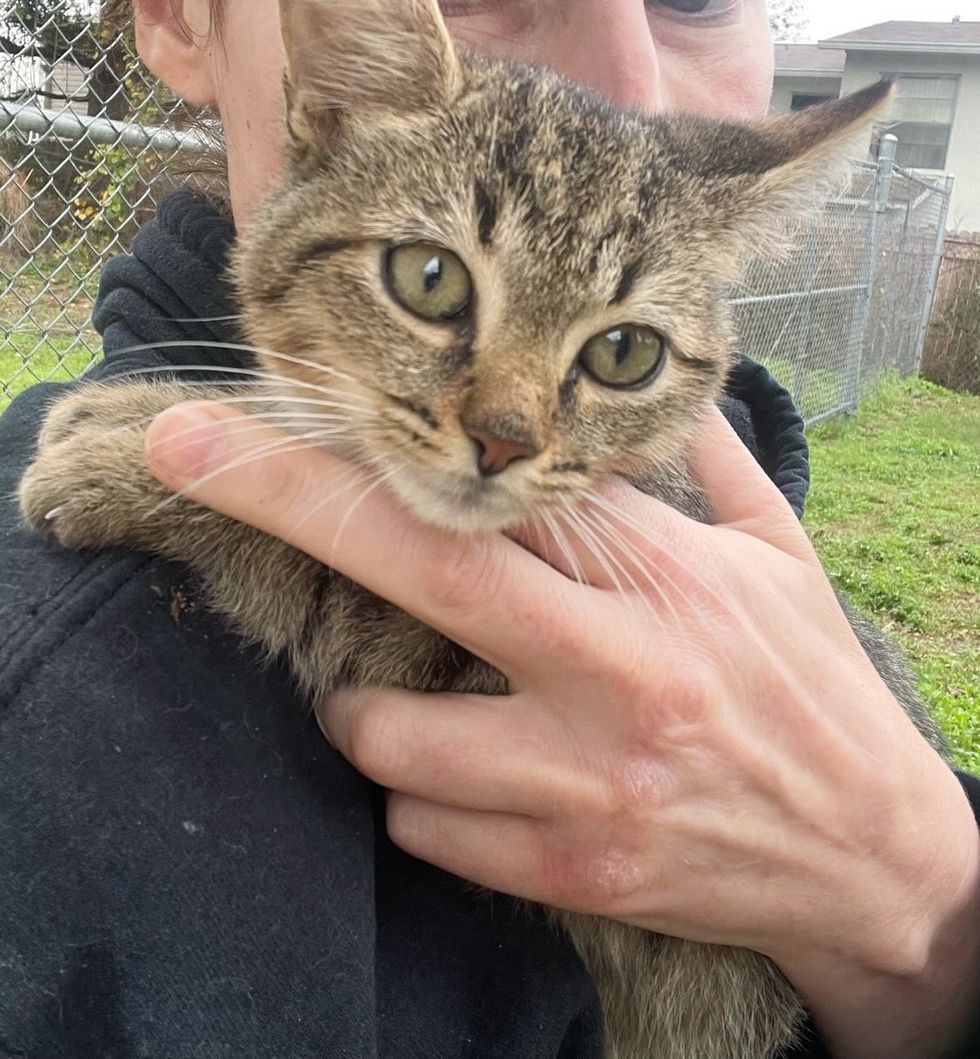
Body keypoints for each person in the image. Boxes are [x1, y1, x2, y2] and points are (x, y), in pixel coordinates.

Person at [0, 1, 977, 1056]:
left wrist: (931, 905)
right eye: (434, 281)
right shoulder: (58, 684)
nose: (508, 426)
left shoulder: (728, 506)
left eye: (620, 355)